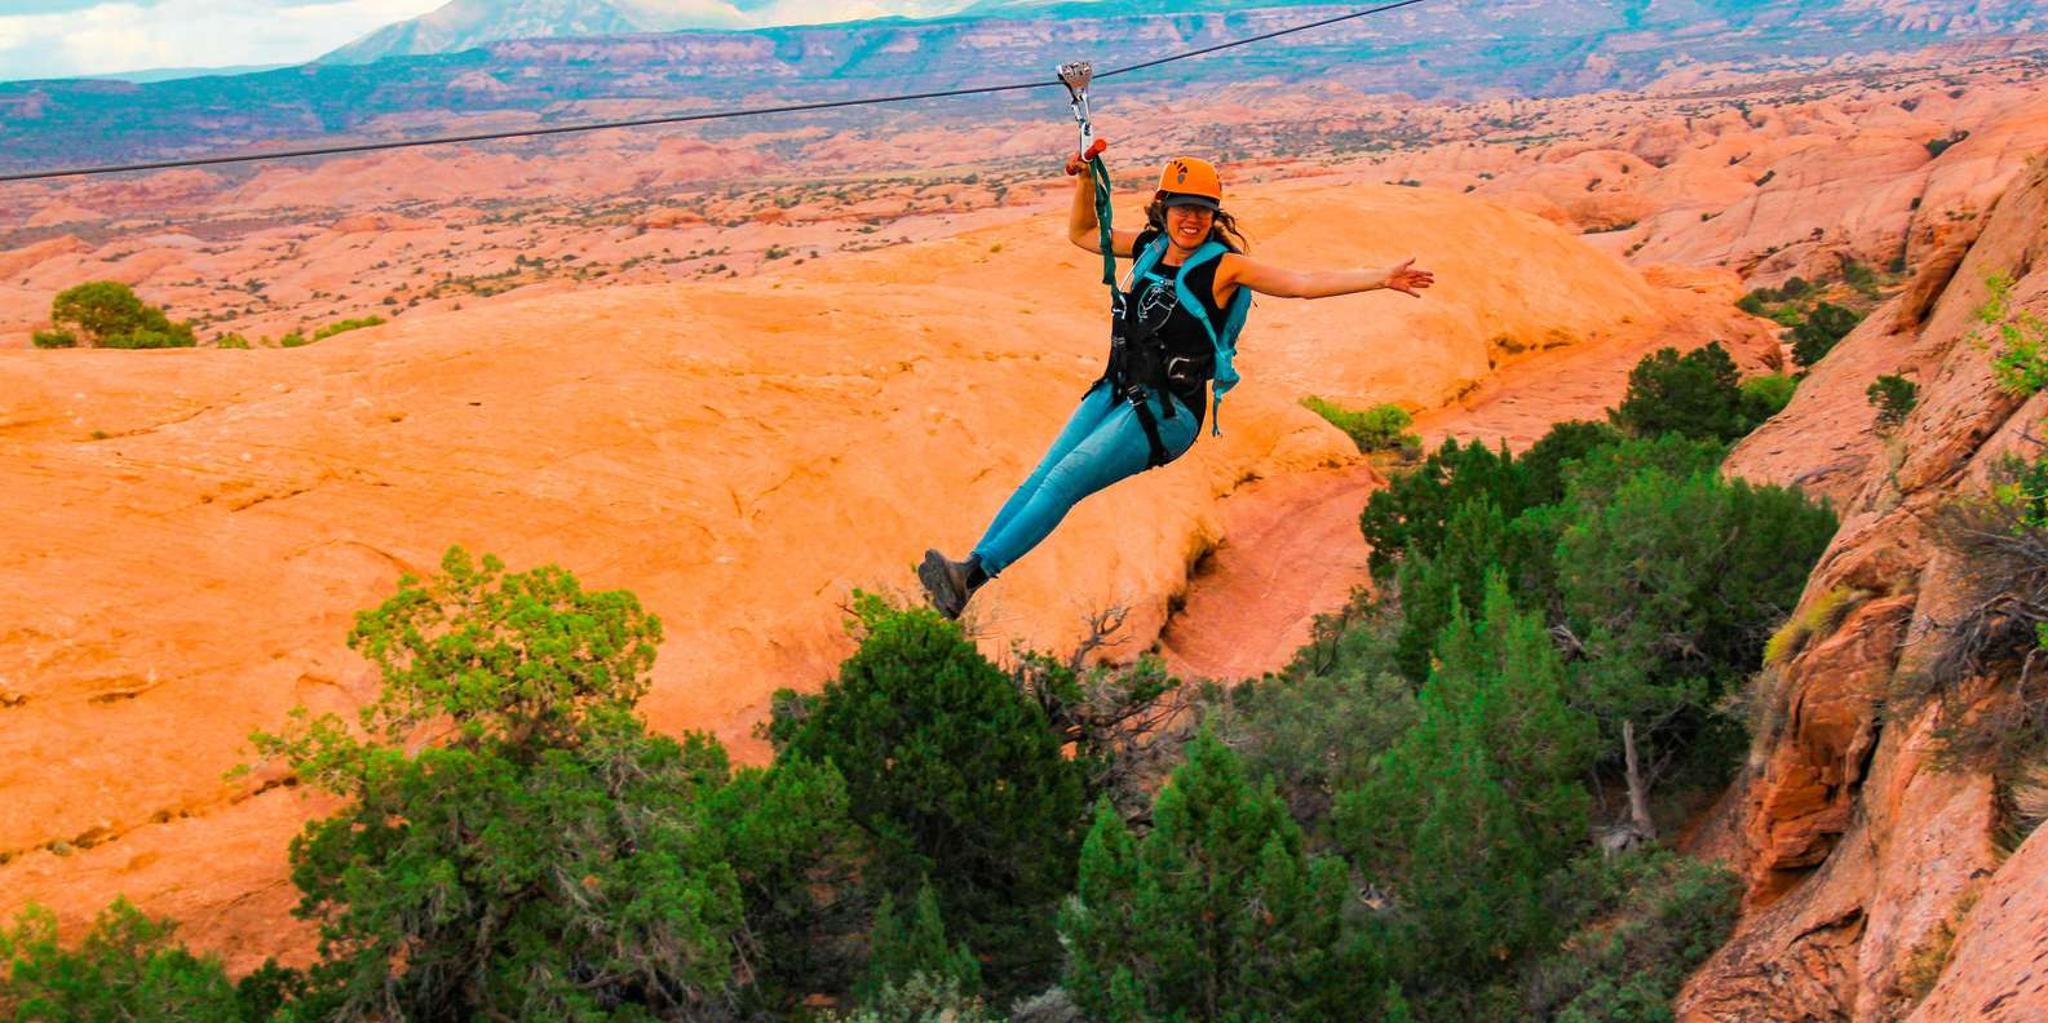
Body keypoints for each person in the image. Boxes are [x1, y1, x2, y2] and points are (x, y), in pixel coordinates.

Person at [918, 152, 1435, 619]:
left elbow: (1299, 284)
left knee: (1064, 481)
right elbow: (1082, 235)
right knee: (1041, 476)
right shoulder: (1148, 248)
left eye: (1203, 210)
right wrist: (1082, 182)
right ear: (1162, 208)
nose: (1191, 219)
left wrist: (1377, 277)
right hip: (1117, 388)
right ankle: (967, 570)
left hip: (1169, 412)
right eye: (1182, 208)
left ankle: (974, 576)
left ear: (1216, 215)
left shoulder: (1224, 265)